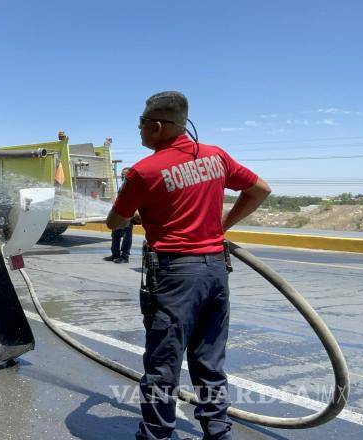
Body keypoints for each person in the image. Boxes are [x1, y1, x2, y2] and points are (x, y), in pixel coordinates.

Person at [105, 91, 271, 440]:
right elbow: (259, 190)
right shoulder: (216, 156)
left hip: (176, 275)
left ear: (158, 126)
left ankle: (157, 435)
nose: (139, 130)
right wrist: (221, 226)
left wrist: (137, 214)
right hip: (215, 271)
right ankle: (218, 432)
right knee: (209, 361)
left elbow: (114, 222)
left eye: (141, 124)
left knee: (163, 364)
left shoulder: (143, 171)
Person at [104, 167, 134, 263]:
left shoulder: (133, 186)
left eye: (124, 175)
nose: (122, 176)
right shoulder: (123, 186)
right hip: (119, 213)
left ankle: (125, 256)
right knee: (115, 233)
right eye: (122, 175)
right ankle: (115, 254)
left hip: (128, 214)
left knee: (126, 235)